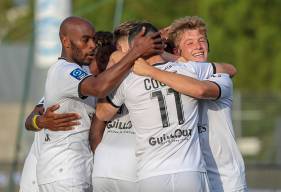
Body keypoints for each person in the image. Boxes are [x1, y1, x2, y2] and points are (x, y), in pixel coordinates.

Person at [95, 22, 233, 192]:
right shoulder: (189, 69)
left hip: (152, 174)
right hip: (189, 171)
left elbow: (102, 114)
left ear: (132, 48)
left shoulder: (127, 80)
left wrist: (117, 61)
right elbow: (229, 69)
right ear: (160, 45)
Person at [32, 16, 163, 192]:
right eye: (85, 40)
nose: (92, 45)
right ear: (66, 41)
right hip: (65, 170)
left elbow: (31, 117)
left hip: (75, 169)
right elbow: (100, 87)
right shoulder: (64, 71)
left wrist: (37, 121)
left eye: (93, 39)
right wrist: (136, 51)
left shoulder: (80, 71)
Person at [19, 30, 116, 192]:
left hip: (66, 171)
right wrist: (41, 121)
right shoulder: (73, 78)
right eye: (106, 60)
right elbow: (29, 120)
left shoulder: (87, 83)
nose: (109, 67)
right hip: (47, 174)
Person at [167, 16, 247, 191]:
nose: (198, 46)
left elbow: (201, 89)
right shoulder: (171, 79)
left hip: (226, 180)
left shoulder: (220, 77)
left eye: (201, 41)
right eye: (190, 43)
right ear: (176, 51)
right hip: (191, 178)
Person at [90, 21, 140, 192]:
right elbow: (98, 126)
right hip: (123, 171)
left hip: (110, 168)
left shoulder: (155, 72)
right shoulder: (107, 80)